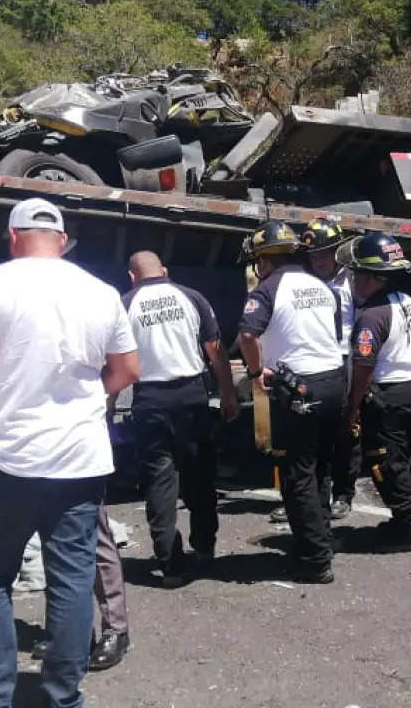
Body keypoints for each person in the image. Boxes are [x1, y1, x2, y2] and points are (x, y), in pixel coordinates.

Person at [0, 197, 140, 708]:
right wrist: (94, 399)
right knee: (71, 580)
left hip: (5, 458)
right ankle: (61, 698)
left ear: (13, 236)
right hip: (78, 459)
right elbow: (128, 370)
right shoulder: (101, 291)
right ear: (63, 239)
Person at [238, 219, 346, 584]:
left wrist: (255, 375)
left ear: (264, 260)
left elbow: (248, 335)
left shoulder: (266, 290)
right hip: (334, 382)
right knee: (321, 469)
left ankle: (314, 561)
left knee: (297, 474)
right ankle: (323, 542)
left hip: (299, 387)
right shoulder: (321, 286)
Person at [122, 251, 240, 586]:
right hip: (192, 395)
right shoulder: (192, 297)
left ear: (133, 276)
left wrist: (106, 406)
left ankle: (170, 565)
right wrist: (228, 394)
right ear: (165, 271)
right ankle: (204, 549)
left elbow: (115, 362)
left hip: (151, 400)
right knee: (200, 474)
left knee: (160, 481)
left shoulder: (125, 304)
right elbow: (215, 352)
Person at [339, 232, 411, 552]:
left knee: (386, 462)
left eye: (355, 273)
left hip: (387, 395)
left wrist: (352, 409)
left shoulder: (371, 316)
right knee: (402, 456)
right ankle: (404, 520)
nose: (351, 280)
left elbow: (364, 368)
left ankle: (408, 531)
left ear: (371, 277)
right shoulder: (408, 302)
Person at [302, 218, 359, 521]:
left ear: (338, 250)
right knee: (313, 431)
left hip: (346, 359)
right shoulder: (306, 283)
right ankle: (310, 497)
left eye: (324, 253)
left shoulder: (352, 281)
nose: (318, 261)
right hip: (318, 362)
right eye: (313, 256)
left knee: (346, 429)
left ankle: (344, 493)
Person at [30, 503, 131, 672]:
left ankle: (116, 628)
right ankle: (73, 630)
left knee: (96, 535)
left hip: (82, 479)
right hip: (42, 478)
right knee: (54, 543)